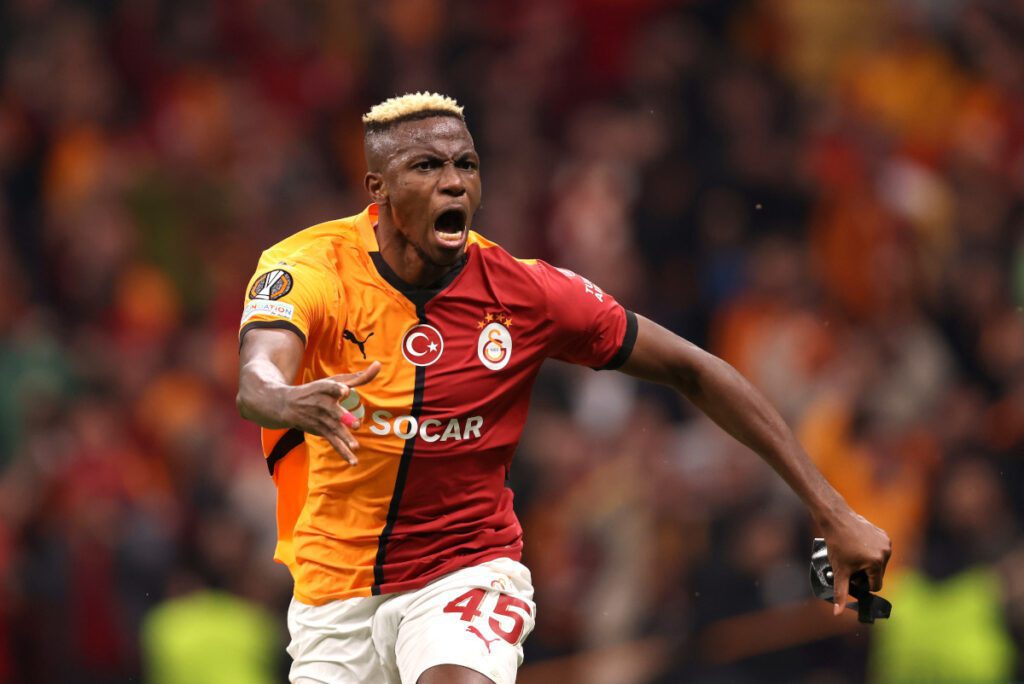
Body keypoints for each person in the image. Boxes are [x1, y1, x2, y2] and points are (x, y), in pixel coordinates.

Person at [236, 92, 891, 684]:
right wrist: (286, 397)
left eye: (466, 165)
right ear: (377, 189)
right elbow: (259, 371)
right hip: (335, 590)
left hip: (463, 569)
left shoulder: (525, 293)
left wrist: (833, 511)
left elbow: (693, 369)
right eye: (427, 167)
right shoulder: (309, 267)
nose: (454, 183)